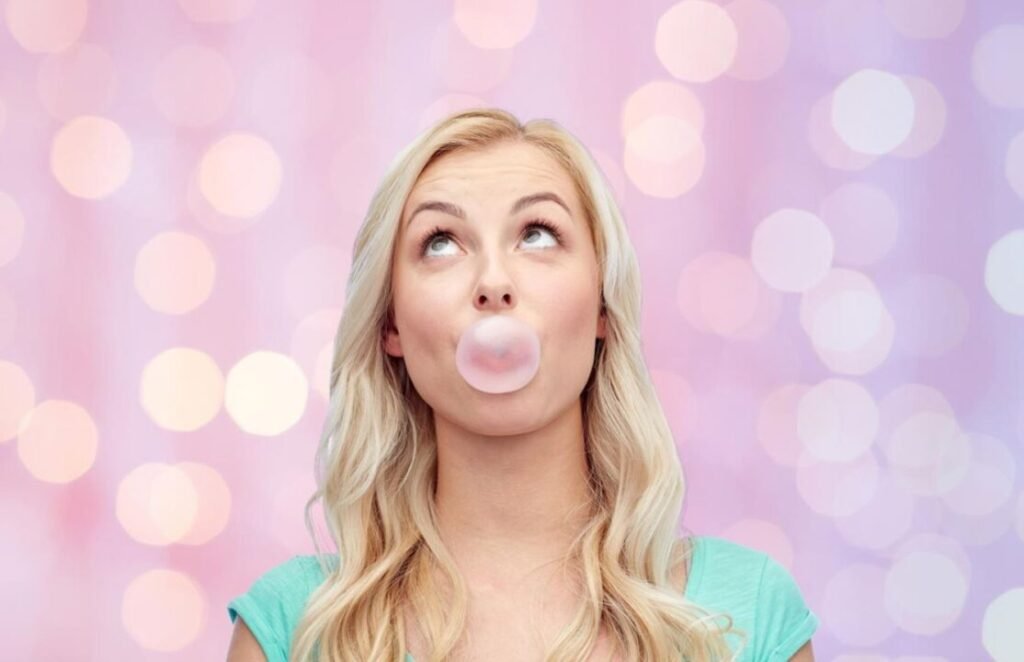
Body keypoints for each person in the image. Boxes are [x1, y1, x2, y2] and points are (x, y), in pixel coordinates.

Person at [225, 108, 819, 661]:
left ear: (602, 307)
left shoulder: (745, 613)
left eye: (537, 234)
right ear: (390, 325)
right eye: (441, 243)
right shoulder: (292, 626)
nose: (493, 282)